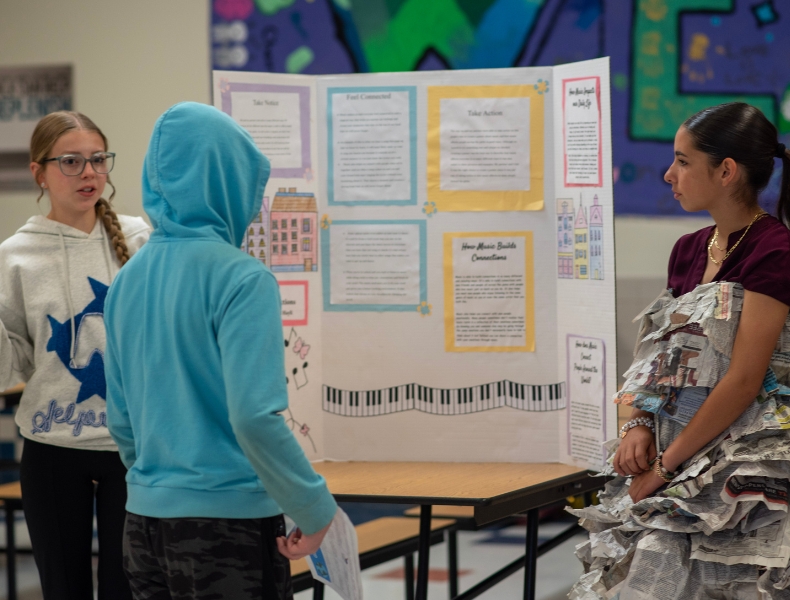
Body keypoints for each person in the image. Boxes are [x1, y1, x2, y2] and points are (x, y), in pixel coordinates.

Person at [103, 102, 337, 600]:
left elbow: (121, 420)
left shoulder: (127, 280)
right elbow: (254, 416)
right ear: (229, 183)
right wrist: (316, 509)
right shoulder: (241, 277)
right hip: (224, 527)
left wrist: (160, 484)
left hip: (142, 524)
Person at [570, 102, 790, 598]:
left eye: (684, 161)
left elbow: (744, 379)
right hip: (670, 453)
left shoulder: (774, 249)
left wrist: (666, 469)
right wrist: (636, 425)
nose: (670, 174)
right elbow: (651, 362)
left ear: (727, 171)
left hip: (735, 461)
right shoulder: (688, 249)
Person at [0, 111, 150, 599]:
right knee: (63, 588)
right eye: (71, 162)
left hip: (131, 449)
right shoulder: (15, 256)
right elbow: (11, 368)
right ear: (39, 172)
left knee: (126, 589)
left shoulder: (141, 239)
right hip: (51, 449)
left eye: (97, 160)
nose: (89, 173)